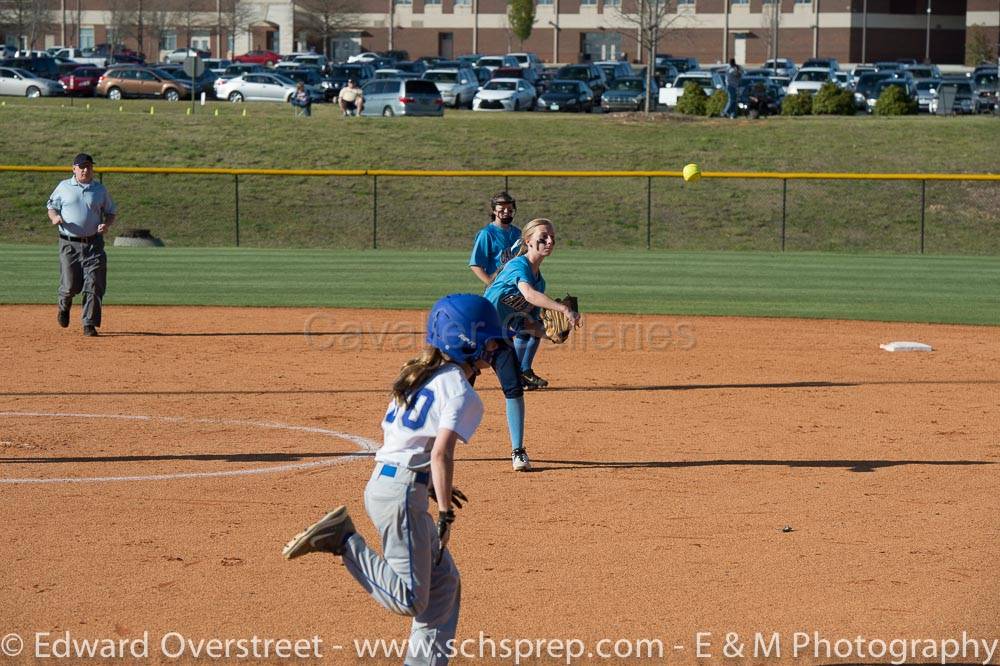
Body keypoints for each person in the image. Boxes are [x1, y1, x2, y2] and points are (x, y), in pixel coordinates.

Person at [283, 294, 504, 666]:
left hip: (391, 485)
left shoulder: (420, 376)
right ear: (465, 341)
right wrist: (446, 512)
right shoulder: (462, 392)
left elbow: (408, 443)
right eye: (490, 339)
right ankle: (342, 540)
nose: (496, 346)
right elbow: (441, 453)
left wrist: (432, 485)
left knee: (443, 586)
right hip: (401, 495)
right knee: (409, 599)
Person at [484, 218, 580, 468]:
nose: (549, 241)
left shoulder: (541, 281)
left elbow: (527, 324)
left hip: (500, 337)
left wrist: (552, 334)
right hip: (476, 328)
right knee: (455, 386)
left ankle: (517, 451)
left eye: (552, 238)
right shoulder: (518, 265)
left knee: (514, 387)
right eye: (543, 237)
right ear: (528, 241)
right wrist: (563, 309)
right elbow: (528, 294)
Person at [468, 192, 534, 471]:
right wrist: (491, 281)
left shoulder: (520, 235)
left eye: (509, 208)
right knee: (462, 380)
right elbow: (475, 263)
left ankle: (517, 450)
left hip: (512, 303)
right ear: (493, 211)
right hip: (490, 308)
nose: (505, 212)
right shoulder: (486, 234)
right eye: (500, 208)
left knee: (524, 333)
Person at [46, 153, 117, 337]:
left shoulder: (99, 190)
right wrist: (55, 217)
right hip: (69, 244)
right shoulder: (64, 187)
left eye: (89, 166)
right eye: (82, 166)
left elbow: (110, 211)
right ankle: (64, 304)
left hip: (94, 244)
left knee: (94, 284)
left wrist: (106, 224)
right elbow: (51, 206)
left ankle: (89, 324)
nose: (85, 170)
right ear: (74, 168)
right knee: (70, 286)